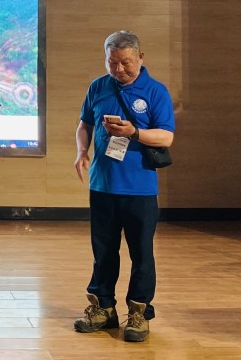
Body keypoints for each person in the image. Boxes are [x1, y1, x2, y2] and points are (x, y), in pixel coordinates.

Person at [72, 30, 175, 342]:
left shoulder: (155, 91)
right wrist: (82, 151)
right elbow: (84, 124)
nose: (119, 69)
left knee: (141, 253)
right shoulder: (98, 86)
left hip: (140, 188)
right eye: (112, 63)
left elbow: (166, 136)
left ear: (140, 58)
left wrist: (134, 133)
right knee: (103, 252)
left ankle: (139, 312)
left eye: (126, 63)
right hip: (102, 185)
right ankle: (103, 308)